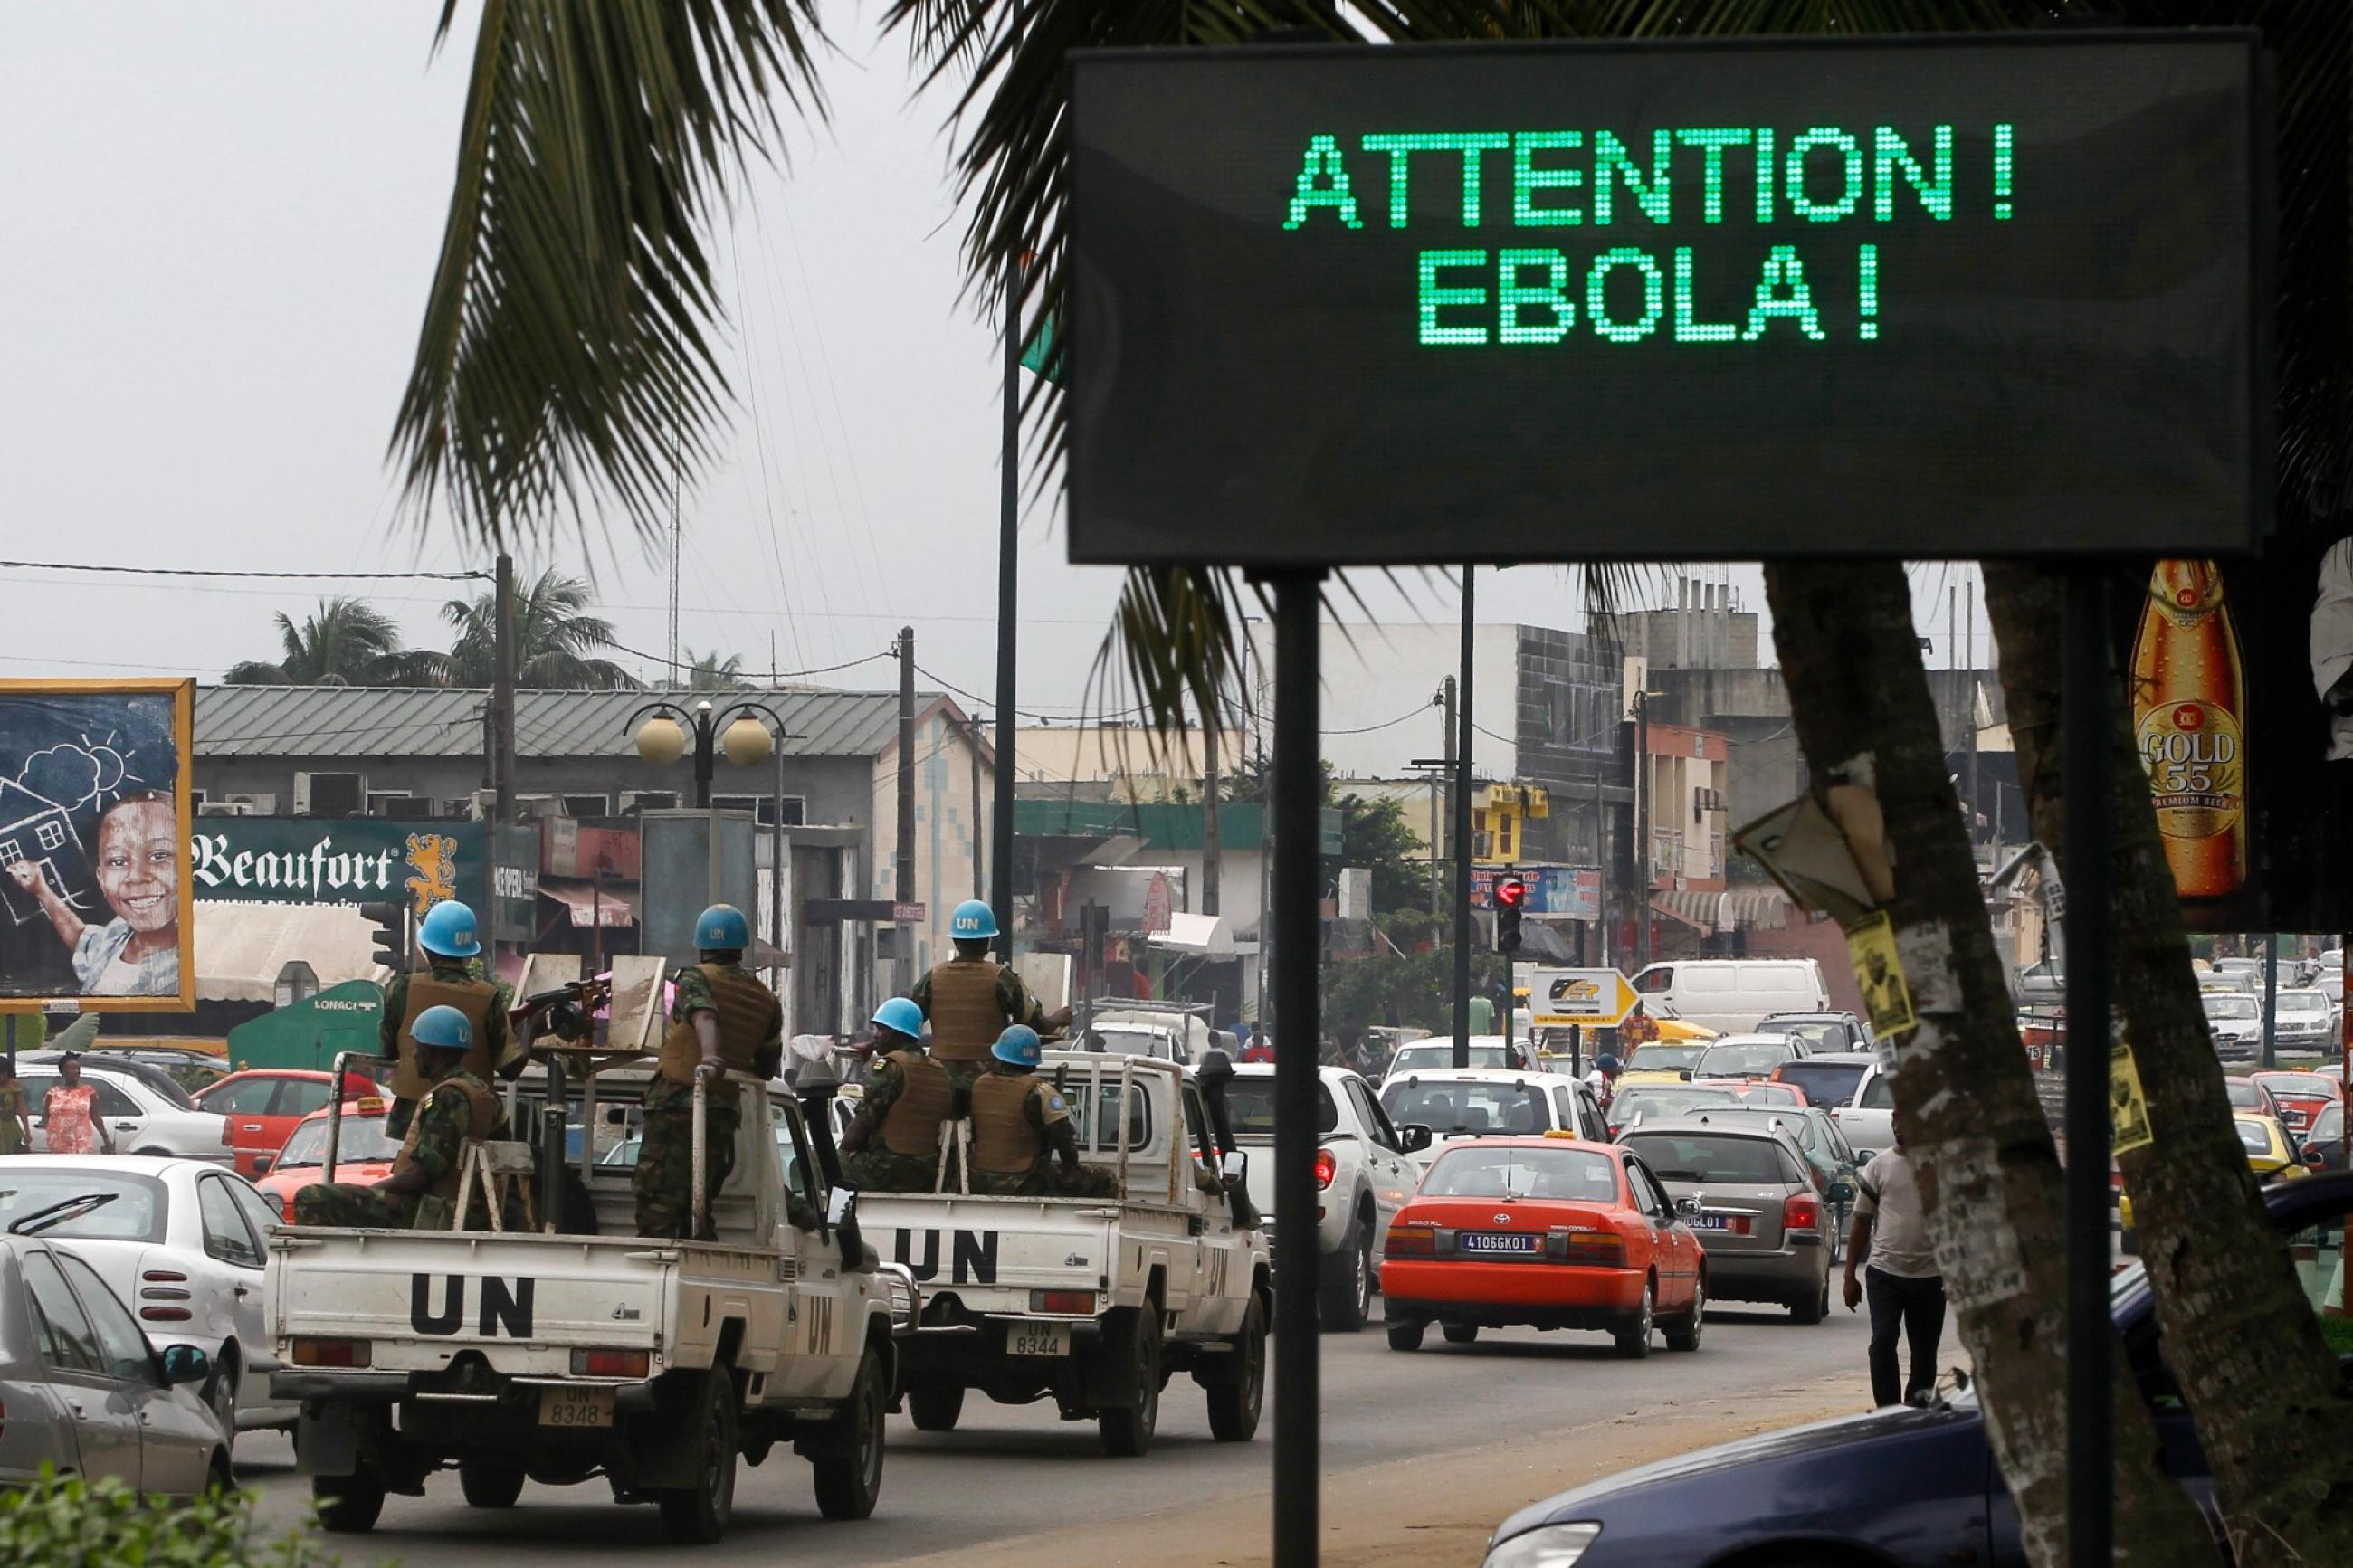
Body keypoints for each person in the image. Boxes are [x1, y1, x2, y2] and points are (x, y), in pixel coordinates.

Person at [634, 904, 785, 1240]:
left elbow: (704, 1013)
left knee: (658, 1203)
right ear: (741, 948)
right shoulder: (766, 1000)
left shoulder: (694, 978)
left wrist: (712, 1056)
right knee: (697, 1202)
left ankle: (659, 1275)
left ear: (702, 947)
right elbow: (766, 1066)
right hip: (720, 1113)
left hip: (676, 1103)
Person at [296, 1005, 511, 1231]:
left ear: (430, 1052)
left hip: (439, 1210)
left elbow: (420, 1175)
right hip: (475, 1209)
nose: (415, 1055)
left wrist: (376, 1189)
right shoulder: (482, 1092)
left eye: (417, 1048)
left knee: (313, 1197)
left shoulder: (449, 1097)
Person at [7, 791, 181, 996]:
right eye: (118, 861)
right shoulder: (119, 936)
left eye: (159, 855)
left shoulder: (196, 965)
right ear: (101, 878)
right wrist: (42, 889)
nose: (136, 876)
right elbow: (84, 941)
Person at [380, 899, 519, 1140]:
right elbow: (510, 1067)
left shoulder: (402, 988)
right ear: (468, 954)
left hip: (411, 1120)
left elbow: (387, 1050)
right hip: (469, 1122)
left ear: (428, 947)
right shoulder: (487, 997)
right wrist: (532, 1031)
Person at [1843, 1136, 1947, 1408]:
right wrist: (1849, 1275)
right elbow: (1862, 1222)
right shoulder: (1879, 1166)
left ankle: (1914, 1416)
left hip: (1930, 1277)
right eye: (1895, 1118)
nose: (1898, 1124)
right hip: (1885, 1272)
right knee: (1883, 1341)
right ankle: (1888, 1412)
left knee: (1924, 1356)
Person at [910, 900, 1070, 1068]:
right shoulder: (1002, 978)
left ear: (955, 940)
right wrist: (1058, 1019)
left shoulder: (933, 978)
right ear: (988, 941)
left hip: (940, 1081)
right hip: (988, 1083)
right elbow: (1034, 1024)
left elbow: (910, 1023)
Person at [968, 1025, 1118, 1198]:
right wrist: (1072, 1169)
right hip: (1024, 1181)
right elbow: (1065, 1143)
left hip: (979, 1178)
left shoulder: (978, 1085)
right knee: (1107, 1180)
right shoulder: (1041, 1091)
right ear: (1032, 1063)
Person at [840, 996, 959, 1193]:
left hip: (891, 1171)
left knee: (824, 1160)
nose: (876, 1036)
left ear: (897, 1034)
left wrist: (846, 1152)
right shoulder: (939, 1071)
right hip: (929, 1174)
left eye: (881, 1030)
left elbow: (856, 1133)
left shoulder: (891, 1068)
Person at [41, 1052, 114, 1155]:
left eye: (78, 1069)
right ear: (62, 1072)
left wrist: (106, 1138)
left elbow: (95, 1116)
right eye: (72, 1069)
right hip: (58, 1143)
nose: (76, 1072)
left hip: (81, 1142)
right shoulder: (53, 1093)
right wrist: (50, 1132)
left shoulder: (88, 1091)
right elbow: (46, 1115)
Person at [0, 1060, 30, 1155]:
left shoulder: (14, 1084)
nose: (2, 1076)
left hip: (10, 1126)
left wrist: (27, 1131)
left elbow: (22, 1109)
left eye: (4, 1072)